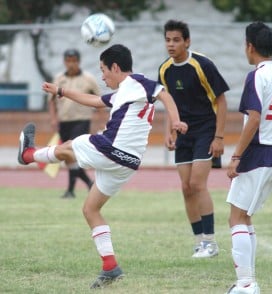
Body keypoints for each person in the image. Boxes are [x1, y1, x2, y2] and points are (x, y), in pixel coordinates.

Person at [17, 44, 188, 289]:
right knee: (90, 209)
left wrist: (176, 121)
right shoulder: (123, 94)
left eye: (103, 70)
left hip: (112, 148)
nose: (102, 75)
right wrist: (61, 91)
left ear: (115, 67)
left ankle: (28, 154)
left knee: (69, 146)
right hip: (128, 162)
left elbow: (165, 95)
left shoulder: (137, 83)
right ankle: (110, 266)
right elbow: (95, 101)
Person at [225, 22, 272, 294]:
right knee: (245, 217)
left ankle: (246, 284)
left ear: (250, 46)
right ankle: (249, 281)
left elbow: (254, 117)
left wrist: (236, 155)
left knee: (236, 218)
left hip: (256, 154)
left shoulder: (256, 76)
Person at [158, 19, 229, 258]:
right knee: (186, 188)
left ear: (187, 41)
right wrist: (169, 131)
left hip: (205, 130)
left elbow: (221, 100)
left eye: (176, 40)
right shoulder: (164, 69)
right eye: (168, 40)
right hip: (183, 134)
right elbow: (168, 103)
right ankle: (199, 241)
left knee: (198, 185)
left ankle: (211, 242)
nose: (171, 44)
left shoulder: (202, 64)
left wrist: (219, 137)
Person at [48, 48, 102, 198]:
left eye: (74, 61)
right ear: (64, 62)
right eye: (68, 61)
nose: (71, 64)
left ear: (79, 61)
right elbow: (51, 101)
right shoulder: (59, 79)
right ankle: (86, 184)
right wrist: (53, 118)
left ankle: (72, 190)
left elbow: (100, 101)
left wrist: (100, 120)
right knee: (68, 156)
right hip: (64, 122)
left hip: (81, 121)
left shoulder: (88, 78)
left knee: (72, 153)